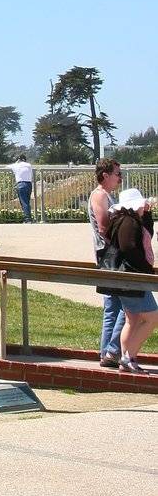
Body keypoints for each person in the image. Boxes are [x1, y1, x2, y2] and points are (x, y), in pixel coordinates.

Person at [89, 157, 158, 373]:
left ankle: (111, 353)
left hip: (116, 262)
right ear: (105, 175)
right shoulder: (100, 195)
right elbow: (104, 229)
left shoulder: (115, 204)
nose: (120, 178)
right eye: (117, 174)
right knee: (119, 309)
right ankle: (113, 353)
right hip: (115, 263)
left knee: (121, 310)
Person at [9, 153, 34, 221]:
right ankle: (28, 217)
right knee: (27, 202)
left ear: (18, 160)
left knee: (24, 202)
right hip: (29, 184)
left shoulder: (16, 165)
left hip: (21, 184)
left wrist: (16, 163)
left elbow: (6, 167)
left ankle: (27, 218)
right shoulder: (29, 165)